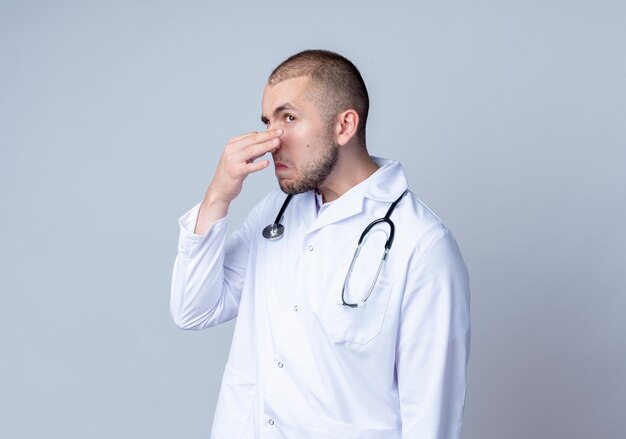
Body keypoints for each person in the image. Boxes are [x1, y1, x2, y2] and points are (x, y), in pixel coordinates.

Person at [170, 49, 471, 439]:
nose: (271, 140)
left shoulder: (422, 245)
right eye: (267, 122)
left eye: (289, 118)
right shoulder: (274, 213)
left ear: (344, 126)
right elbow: (193, 309)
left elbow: (430, 419)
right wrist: (218, 196)